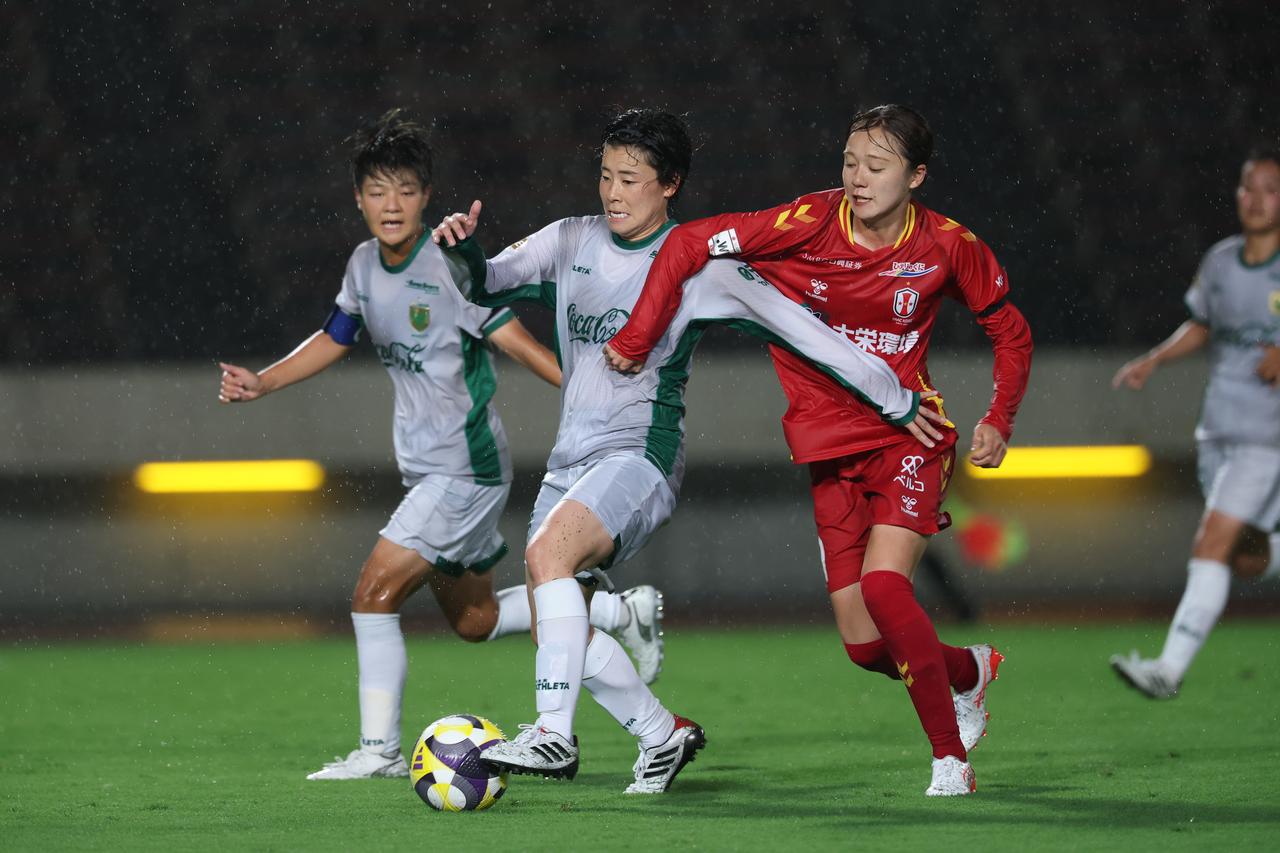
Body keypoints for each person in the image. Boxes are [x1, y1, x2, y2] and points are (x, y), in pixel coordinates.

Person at [432, 108, 945, 793]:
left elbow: (804, 330)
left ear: (669, 183)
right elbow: (485, 282)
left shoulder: (705, 269)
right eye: (606, 176)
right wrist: (464, 250)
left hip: (640, 454)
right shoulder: (570, 239)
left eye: (631, 179)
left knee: (546, 558)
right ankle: (660, 732)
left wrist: (896, 396)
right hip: (570, 458)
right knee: (558, 622)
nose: (612, 192)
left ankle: (553, 734)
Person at [216, 109, 666, 782]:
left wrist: (586, 387)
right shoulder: (365, 266)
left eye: (404, 189)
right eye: (376, 190)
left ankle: (380, 751)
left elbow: (516, 340)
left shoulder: (448, 269)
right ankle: (612, 608)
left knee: (372, 592)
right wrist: (264, 381)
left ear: (426, 197)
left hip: (466, 467)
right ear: (359, 200)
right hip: (428, 469)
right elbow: (336, 335)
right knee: (476, 620)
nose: (390, 204)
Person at [604, 104, 1034, 797]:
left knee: (887, 588)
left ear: (917, 175)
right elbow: (687, 245)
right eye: (849, 162)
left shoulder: (949, 246)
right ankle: (967, 670)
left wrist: (999, 418)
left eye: (877, 166)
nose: (857, 179)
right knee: (866, 645)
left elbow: (1011, 331)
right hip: (830, 449)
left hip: (911, 437)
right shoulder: (807, 222)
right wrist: (636, 335)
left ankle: (949, 759)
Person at [1110, 148, 1280, 699]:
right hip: (1219, 432)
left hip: (1267, 437)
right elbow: (1202, 324)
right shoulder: (1223, 261)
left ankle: (1168, 669)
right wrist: (1154, 360)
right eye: (1248, 187)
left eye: (1269, 189)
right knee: (1248, 554)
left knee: (1210, 542)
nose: (1255, 199)